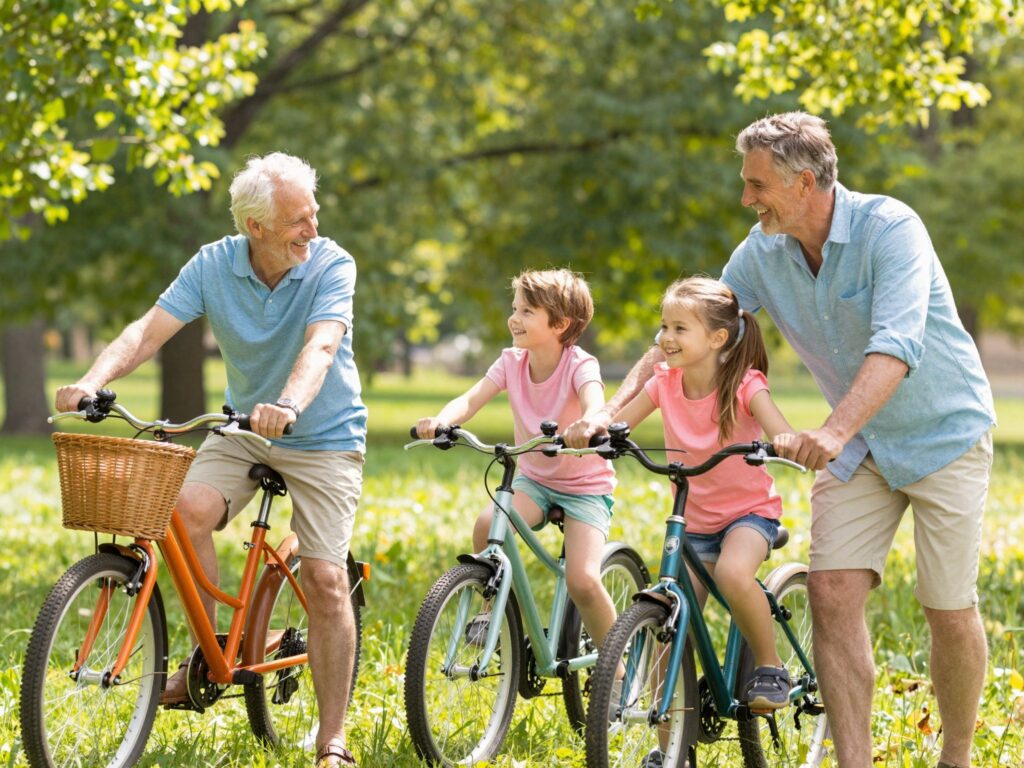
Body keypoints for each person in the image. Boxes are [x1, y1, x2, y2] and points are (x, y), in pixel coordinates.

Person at [568, 112, 996, 768]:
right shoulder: (761, 252)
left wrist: (831, 428)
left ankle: (957, 757)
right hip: (859, 452)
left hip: (943, 436)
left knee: (946, 607)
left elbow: (897, 345)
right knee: (829, 594)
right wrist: (613, 411)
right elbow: (685, 336)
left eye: (756, 184)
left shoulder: (891, 230)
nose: (746, 198)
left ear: (803, 182)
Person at [55, 152, 367, 768]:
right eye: (298, 219)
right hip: (242, 430)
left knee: (327, 581)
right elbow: (148, 329)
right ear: (257, 228)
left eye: (313, 213)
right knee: (182, 511)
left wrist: (287, 403)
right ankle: (216, 649)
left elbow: (323, 344)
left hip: (322, 434)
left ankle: (333, 739)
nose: (312, 227)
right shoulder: (213, 264)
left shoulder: (331, 263)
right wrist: (91, 379)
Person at [613, 276, 796, 768]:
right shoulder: (664, 382)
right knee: (668, 623)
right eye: (664, 326)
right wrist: (599, 431)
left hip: (747, 515)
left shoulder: (743, 384)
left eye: (680, 328)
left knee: (735, 575)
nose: (666, 338)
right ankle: (671, 745)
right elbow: (621, 424)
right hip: (690, 519)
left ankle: (771, 667)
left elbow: (778, 427)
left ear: (717, 338)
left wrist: (785, 441)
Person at [414, 268, 620, 661]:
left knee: (582, 580)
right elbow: (471, 399)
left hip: (584, 489)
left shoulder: (580, 364)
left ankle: (617, 665)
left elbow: (595, 402)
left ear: (559, 324)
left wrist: (590, 422)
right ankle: (491, 613)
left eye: (527, 311)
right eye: (515, 308)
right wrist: (443, 420)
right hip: (535, 480)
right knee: (486, 524)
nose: (514, 318)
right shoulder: (511, 361)